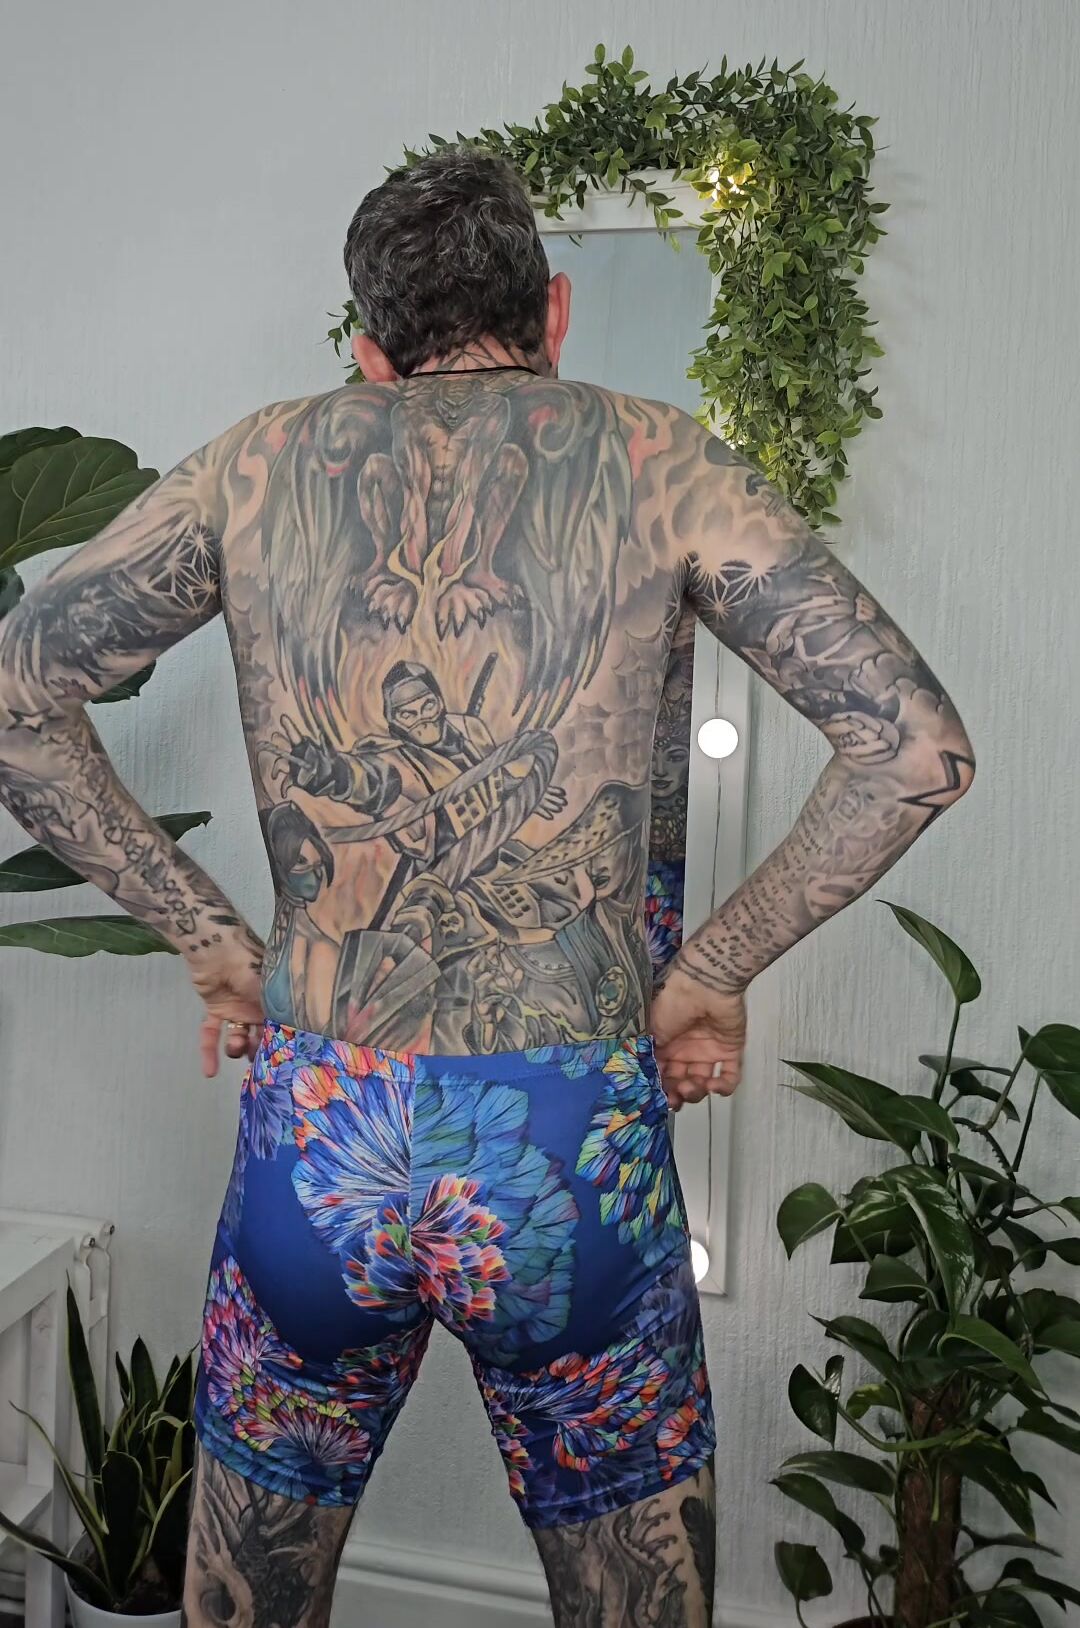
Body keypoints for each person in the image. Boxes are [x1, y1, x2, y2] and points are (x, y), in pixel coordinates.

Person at [0, 148, 974, 1628]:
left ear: (369, 348)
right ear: (555, 309)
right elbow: (914, 752)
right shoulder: (661, 460)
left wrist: (206, 936)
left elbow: (16, 699)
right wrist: (711, 972)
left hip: (321, 1131)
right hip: (567, 1135)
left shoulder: (256, 467)